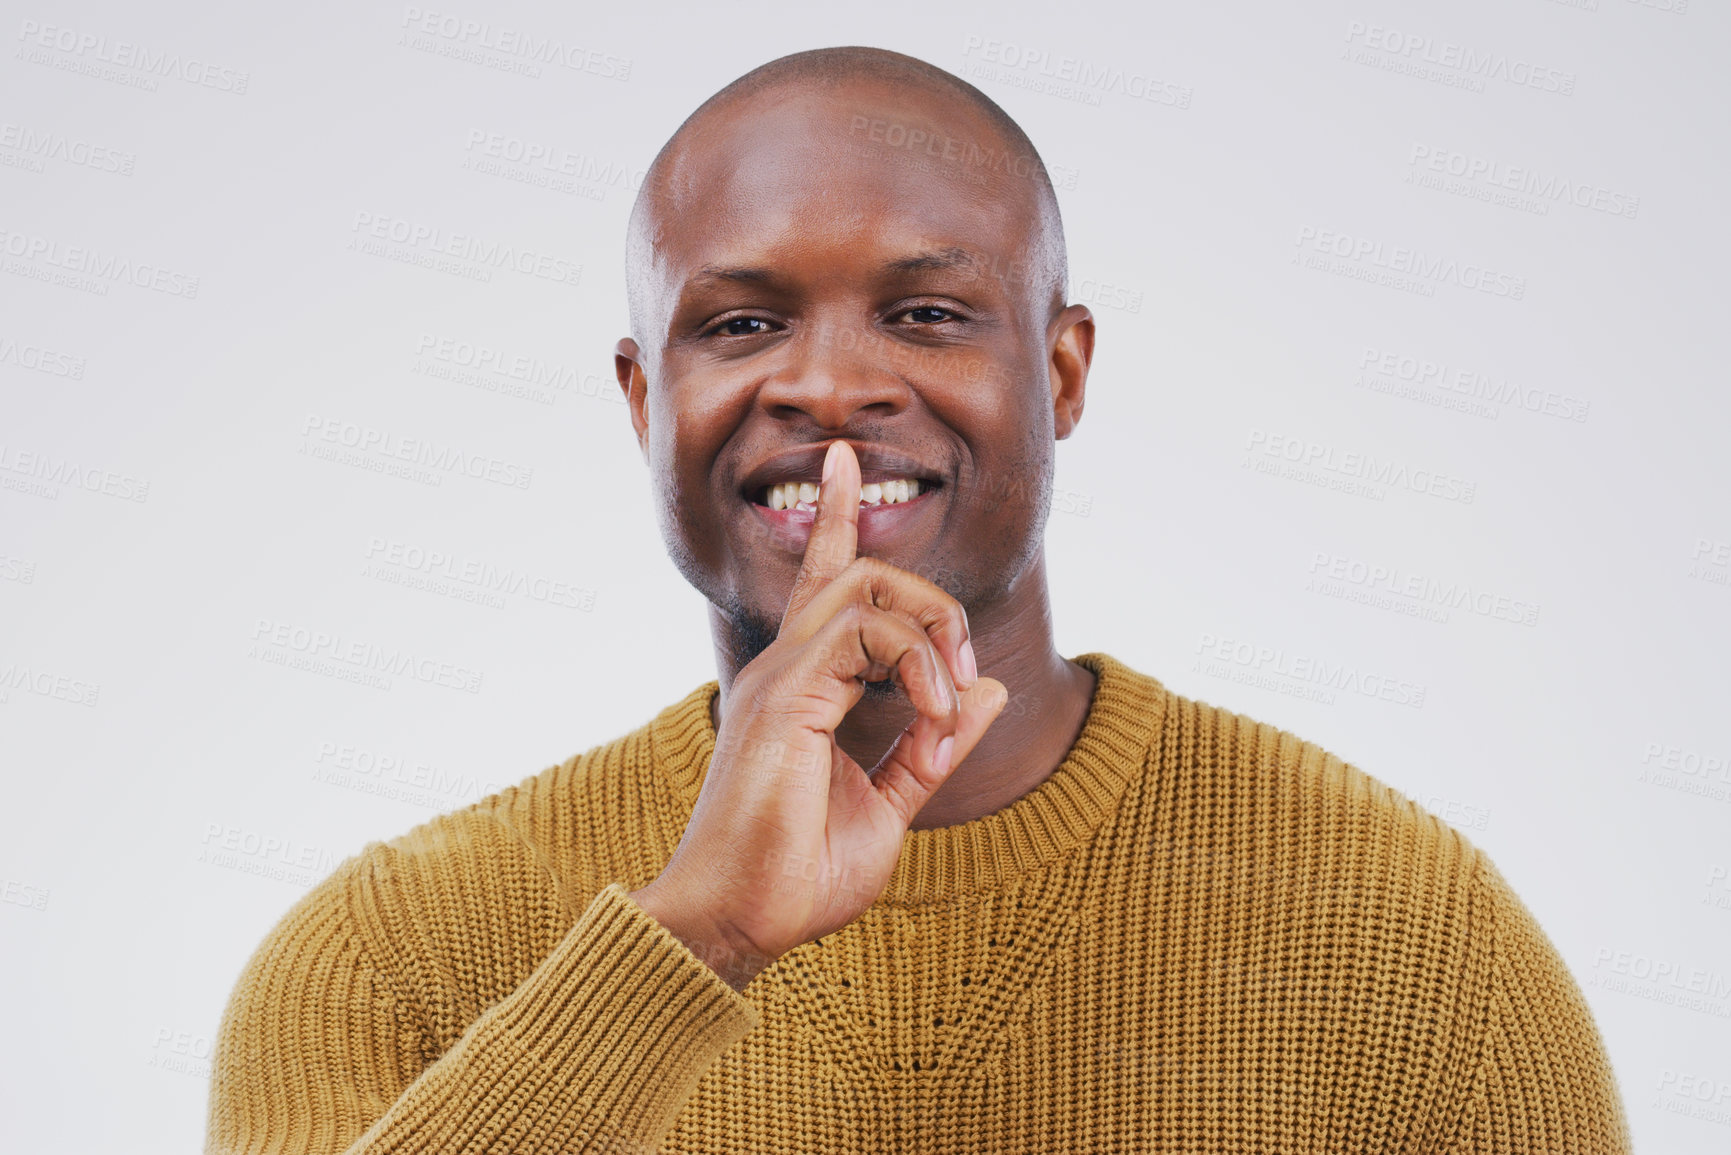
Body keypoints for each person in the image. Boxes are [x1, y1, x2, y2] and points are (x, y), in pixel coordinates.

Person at [206, 46, 1631, 1154]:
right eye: (742, 322)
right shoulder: (385, 961)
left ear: (1061, 374)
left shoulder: (1407, 936)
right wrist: (693, 937)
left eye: (929, 313)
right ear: (646, 398)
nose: (828, 388)